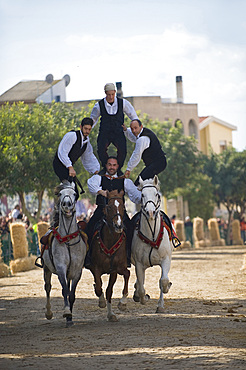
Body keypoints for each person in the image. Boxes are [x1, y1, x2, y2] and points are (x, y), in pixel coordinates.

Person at [85, 156, 141, 268]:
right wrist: (101, 192)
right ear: (106, 165)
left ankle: (128, 256)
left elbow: (135, 195)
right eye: (109, 164)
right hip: (101, 211)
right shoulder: (99, 178)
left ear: (118, 166)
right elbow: (91, 185)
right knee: (89, 228)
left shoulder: (124, 180)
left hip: (120, 213)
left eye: (114, 165)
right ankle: (88, 258)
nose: (112, 167)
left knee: (130, 229)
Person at [52, 117, 100, 227]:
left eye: (89, 129)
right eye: (86, 128)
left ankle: (70, 218)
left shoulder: (86, 143)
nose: (87, 131)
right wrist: (69, 167)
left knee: (76, 194)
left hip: (68, 167)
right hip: (60, 164)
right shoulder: (72, 136)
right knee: (68, 189)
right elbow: (62, 152)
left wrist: (96, 170)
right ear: (81, 127)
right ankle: (57, 219)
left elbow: (89, 158)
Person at [90, 83, 139, 173]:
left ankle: (118, 169)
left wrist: (136, 129)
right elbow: (93, 120)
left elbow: (134, 116)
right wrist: (87, 131)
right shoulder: (98, 105)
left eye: (112, 94)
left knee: (123, 150)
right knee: (101, 149)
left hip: (118, 132)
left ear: (115, 92)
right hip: (105, 132)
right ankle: (105, 168)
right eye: (108, 95)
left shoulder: (123, 103)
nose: (111, 97)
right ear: (105, 93)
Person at [123, 119, 167, 185]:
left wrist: (129, 169)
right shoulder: (141, 132)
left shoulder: (143, 139)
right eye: (132, 129)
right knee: (146, 183)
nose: (134, 131)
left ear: (141, 126)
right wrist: (126, 130)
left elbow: (136, 155)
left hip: (158, 163)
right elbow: (133, 137)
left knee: (139, 183)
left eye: (135, 128)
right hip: (155, 163)